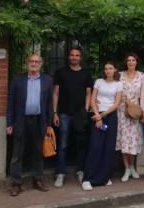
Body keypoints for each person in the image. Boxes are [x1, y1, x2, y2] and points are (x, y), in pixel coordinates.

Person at [6, 54, 53, 197]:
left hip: (39, 120)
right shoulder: (18, 80)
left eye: (37, 61)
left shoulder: (47, 80)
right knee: (17, 153)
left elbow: (49, 104)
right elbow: (11, 103)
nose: (34, 63)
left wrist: (49, 124)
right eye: (31, 61)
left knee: (38, 152)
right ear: (27, 63)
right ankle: (16, 183)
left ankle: (37, 180)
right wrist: (9, 123)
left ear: (41, 63)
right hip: (21, 121)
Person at [53, 47, 93, 187]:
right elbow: (56, 93)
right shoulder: (60, 72)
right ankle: (60, 174)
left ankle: (80, 171)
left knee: (80, 144)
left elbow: (89, 93)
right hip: (64, 113)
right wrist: (54, 112)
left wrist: (86, 110)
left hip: (80, 114)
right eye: (72, 55)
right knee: (63, 145)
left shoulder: (86, 73)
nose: (74, 57)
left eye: (77, 55)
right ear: (69, 57)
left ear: (80, 58)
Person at [82, 62, 122, 190]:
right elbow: (93, 100)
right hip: (97, 116)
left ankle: (104, 177)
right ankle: (87, 179)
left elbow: (116, 104)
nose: (108, 71)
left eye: (110, 68)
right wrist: (97, 115)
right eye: (106, 69)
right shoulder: (99, 81)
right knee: (95, 146)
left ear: (115, 70)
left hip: (110, 117)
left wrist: (102, 115)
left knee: (108, 148)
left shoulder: (118, 84)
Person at [116, 53, 144, 182]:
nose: (131, 62)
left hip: (134, 112)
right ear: (126, 62)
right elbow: (114, 91)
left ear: (136, 62)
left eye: (133, 60)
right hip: (122, 111)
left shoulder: (142, 76)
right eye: (128, 60)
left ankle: (132, 167)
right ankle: (126, 169)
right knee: (123, 140)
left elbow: (143, 96)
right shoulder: (120, 75)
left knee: (132, 140)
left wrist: (143, 111)